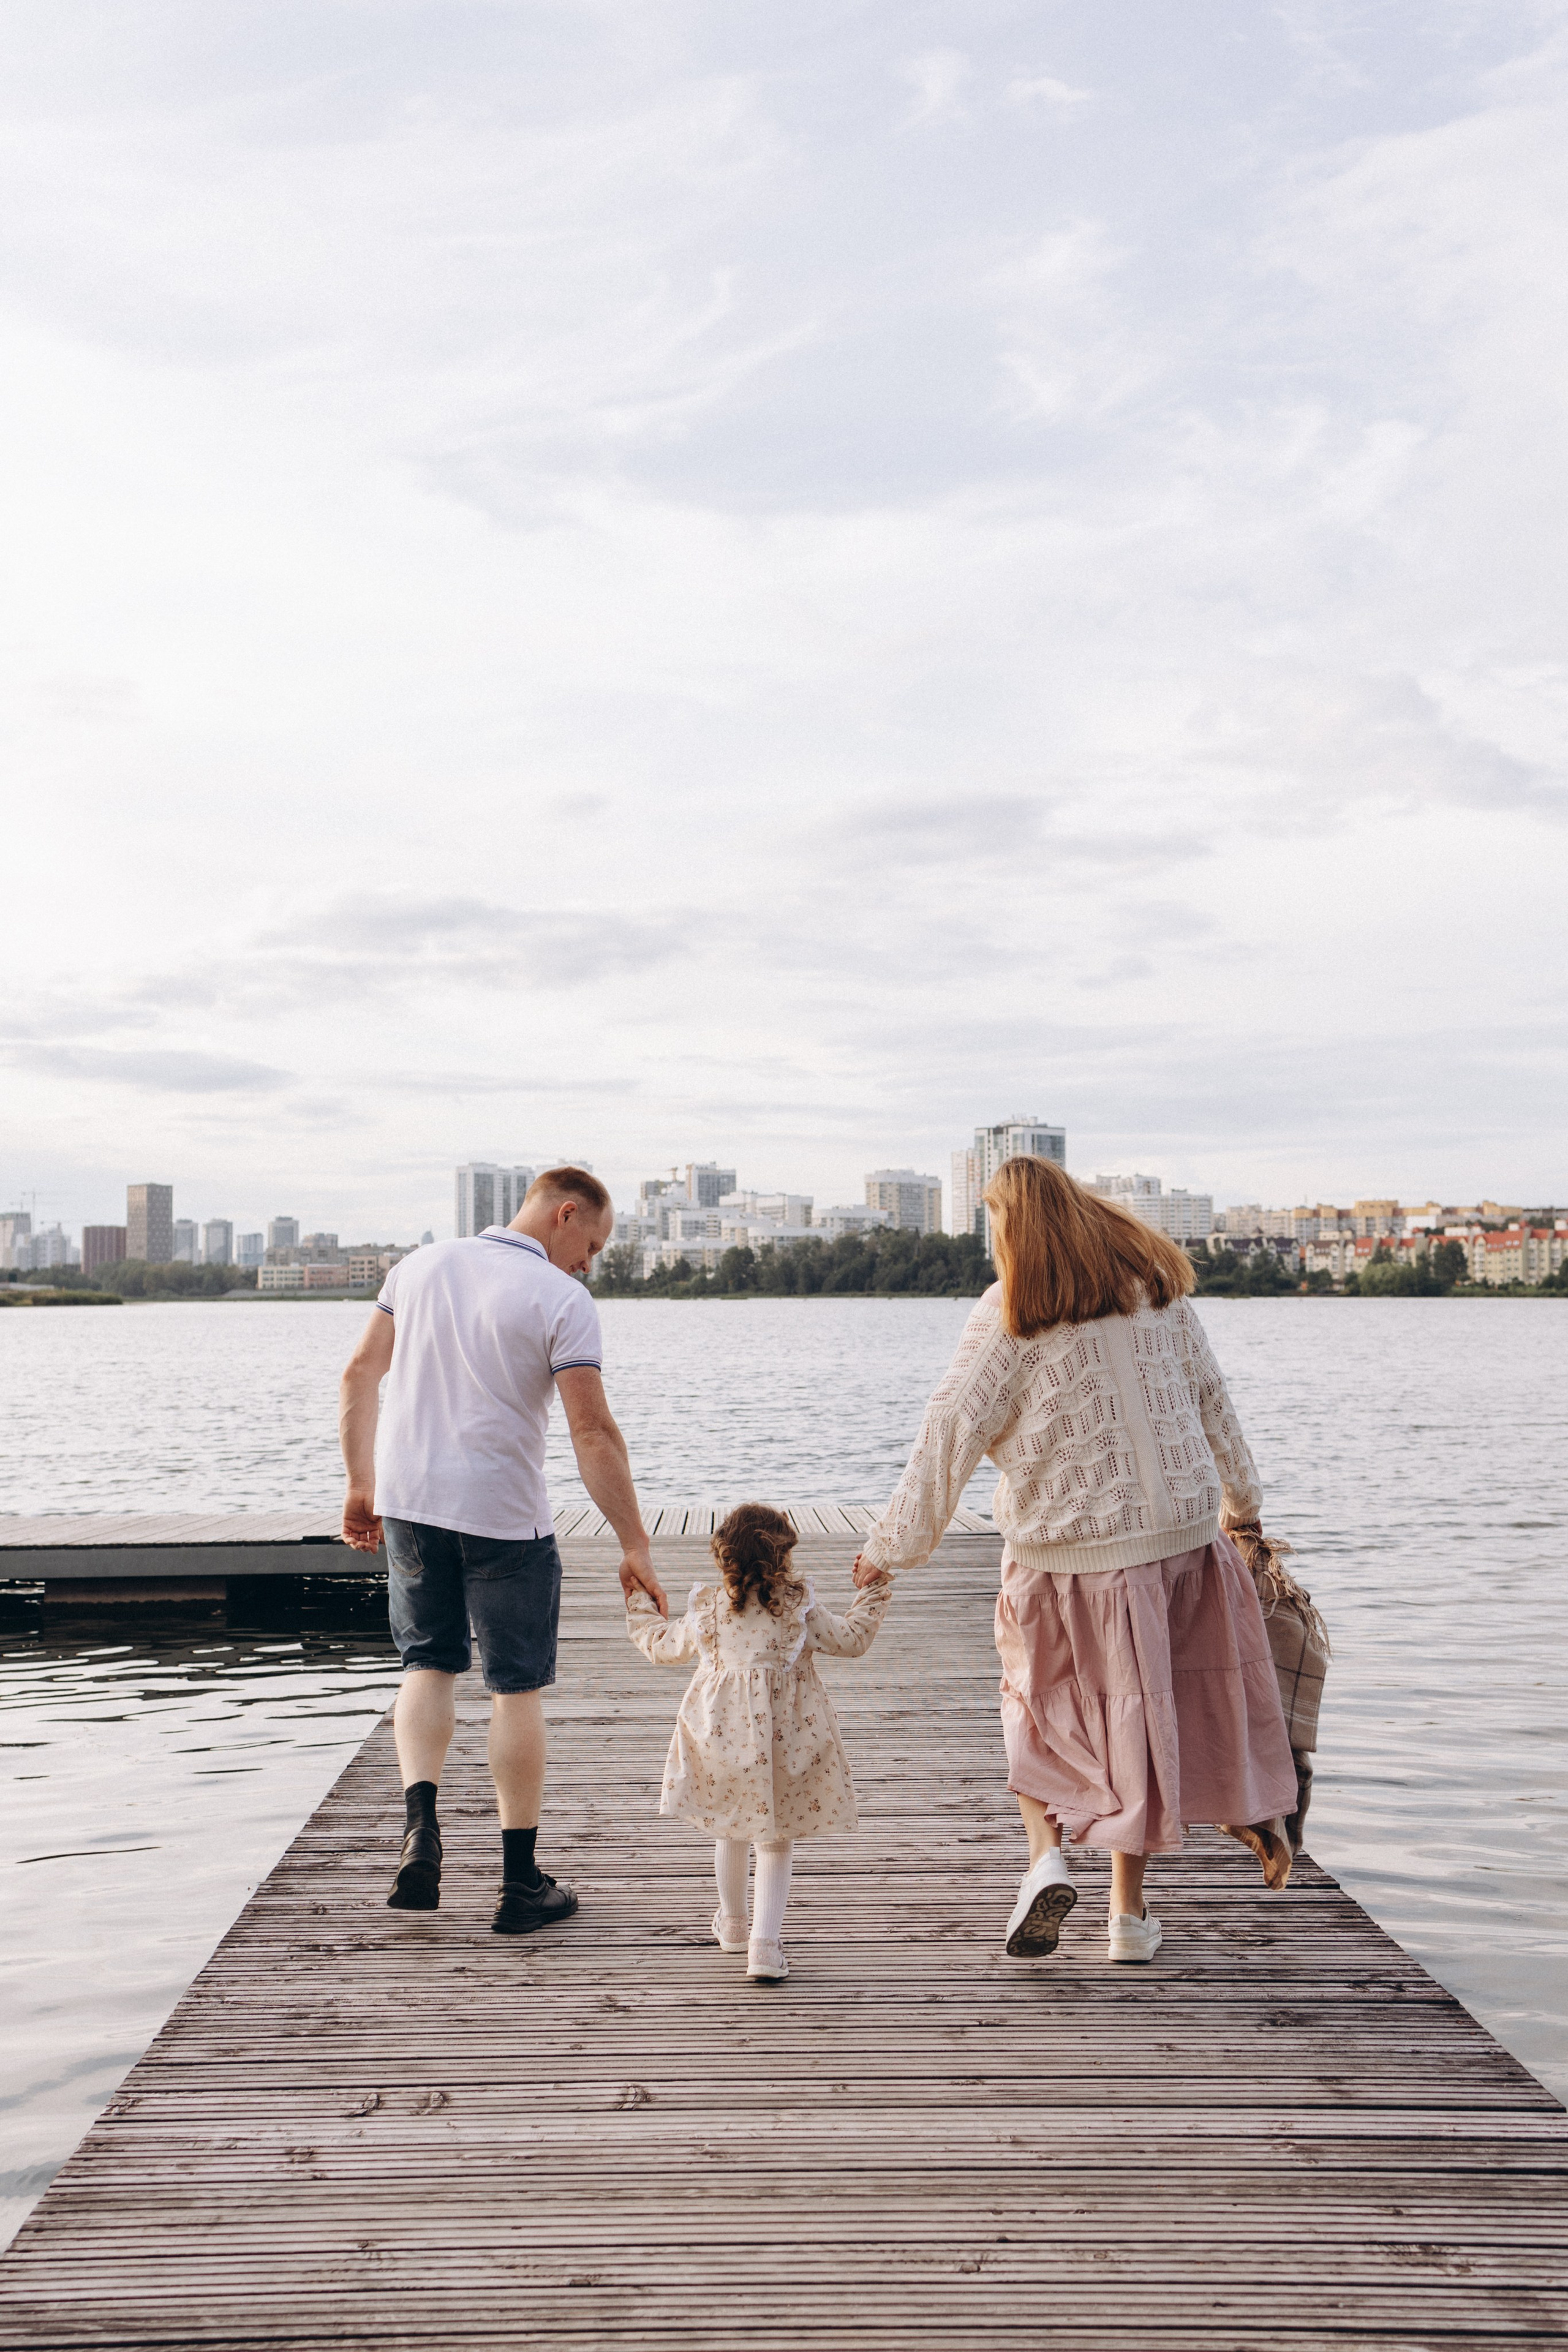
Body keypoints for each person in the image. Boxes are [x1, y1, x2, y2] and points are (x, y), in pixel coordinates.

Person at [852, 1154, 1297, 1966]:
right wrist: (1246, 1509)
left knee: (1036, 1707)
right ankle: (1128, 1918)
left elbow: (949, 1429)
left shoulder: (1012, 1315)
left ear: (1012, 1227)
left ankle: (1045, 1860)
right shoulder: (1158, 1294)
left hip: (1066, 1554)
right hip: (1180, 1547)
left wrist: (891, 1548)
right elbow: (1213, 1402)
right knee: (1142, 1715)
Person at [338, 1165, 667, 1934]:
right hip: (503, 1516)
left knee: (427, 1664)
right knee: (515, 1688)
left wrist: (361, 1484)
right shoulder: (561, 1298)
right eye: (592, 1244)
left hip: (412, 1502)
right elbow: (591, 1432)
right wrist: (634, 1541)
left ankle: (421, 1834)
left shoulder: (416, 1267)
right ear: (566, 1212)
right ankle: (520, 1887)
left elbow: (360, 1373)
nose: (589, 1263)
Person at [626, 1502, 892, 1983]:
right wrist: (873, 1590)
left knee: (728, 1827)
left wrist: (640, 1603)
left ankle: (731, 1925)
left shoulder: (707, 1610)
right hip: (785, 1743)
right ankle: (764, 1947)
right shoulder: (798, 1609)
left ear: (724, 1558)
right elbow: (852, 1640)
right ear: (783, 1557)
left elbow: (663, 1646)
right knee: (774, 1841)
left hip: (719, 1742)